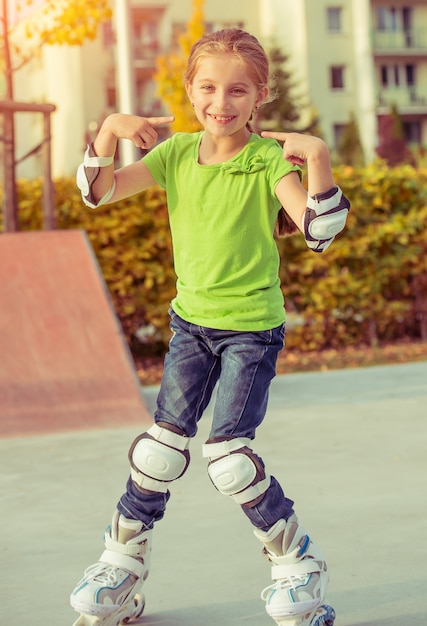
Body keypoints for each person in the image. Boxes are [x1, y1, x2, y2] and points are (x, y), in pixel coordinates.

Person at [71, 28, 349, 626]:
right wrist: (109, 130)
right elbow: (99, 193)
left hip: (251, 330)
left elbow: (319, 231)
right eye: (208, 88)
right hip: (190, 326)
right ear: (190, 90)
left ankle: (297, 561)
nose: (221, 102)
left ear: (260, 96)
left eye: (237, 90)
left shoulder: (266, 159)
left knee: (228, 456)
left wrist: (317, 157)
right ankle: (121, 563)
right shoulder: (174, 155)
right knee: (159, 450)